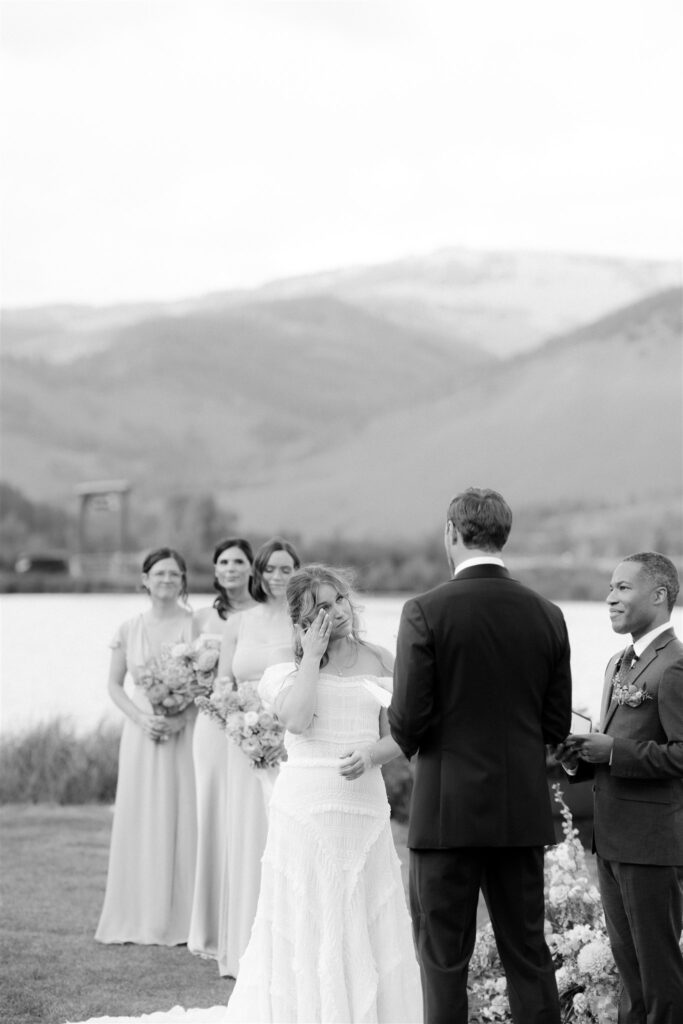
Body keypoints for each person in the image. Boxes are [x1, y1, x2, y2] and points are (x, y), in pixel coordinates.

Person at [388, 487, 572, 1024]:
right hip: (520, 813)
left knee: (444, 960)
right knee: (529, 955)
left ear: (451, 532)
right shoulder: (548, 613)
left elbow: (406, 725)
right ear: (503, 535)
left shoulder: (424, 611)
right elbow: (556, 725)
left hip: (446, 814)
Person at [223, 564, 422, 1023]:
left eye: (341, 601)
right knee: (309, 908)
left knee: (364, 905)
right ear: (302, 621)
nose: (338, 612)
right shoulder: (285, 668)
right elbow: (297, 720)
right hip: (305, 806)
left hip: (363, 803)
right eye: (323, 608)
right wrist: (311, 657)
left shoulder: (384, 660)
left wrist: (373, 755)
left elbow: (407, 733)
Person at [558, 552, 683, 1023]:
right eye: (610, 587)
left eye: (623, 588)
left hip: (652, 845)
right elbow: (615, 745)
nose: (610, 597)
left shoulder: (674, 666)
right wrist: (579, 759)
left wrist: (612, 751)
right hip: (611, 840)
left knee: (660, 978)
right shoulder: (616, 663)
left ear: (659, 595)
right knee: (629, 977)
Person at [95, 548, 198, 946]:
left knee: (183, 814)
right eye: (159, 573)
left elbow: (206, 685)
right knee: (140, 814)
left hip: (183, 731)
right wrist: (142, 719)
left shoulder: (196, 626)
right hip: (140, 734)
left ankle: (184, 918)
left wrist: (178, 718)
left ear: (184, 580)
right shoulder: (129, 628)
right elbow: (113, 685)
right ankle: (135, 914)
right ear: (144, 579)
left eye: (175, 574)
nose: (167, 580)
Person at [215, 536, 300, 978]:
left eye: (286, 569)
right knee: (247, 836)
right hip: (244, 744)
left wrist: (283, 725)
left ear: (297, 573)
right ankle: (243, 947)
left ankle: (287, 949)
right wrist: (238, 721)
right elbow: (222, 685)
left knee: (285, 838)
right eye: (270, 569)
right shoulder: (238, 622)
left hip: (291, 743)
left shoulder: (306, 620)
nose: (277, 576)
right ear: (258, 573)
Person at [188, 538, 255, 960]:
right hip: (212, 727)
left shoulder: (266, 615)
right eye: (223, 561)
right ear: (215, 570)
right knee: (213, 815)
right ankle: (211, 927)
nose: (230, 568)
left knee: (248, 817)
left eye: (238, 561)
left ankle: (249, 918)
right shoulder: (199, 617)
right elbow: (188, 676)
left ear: (253, 569)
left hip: (255, 723)